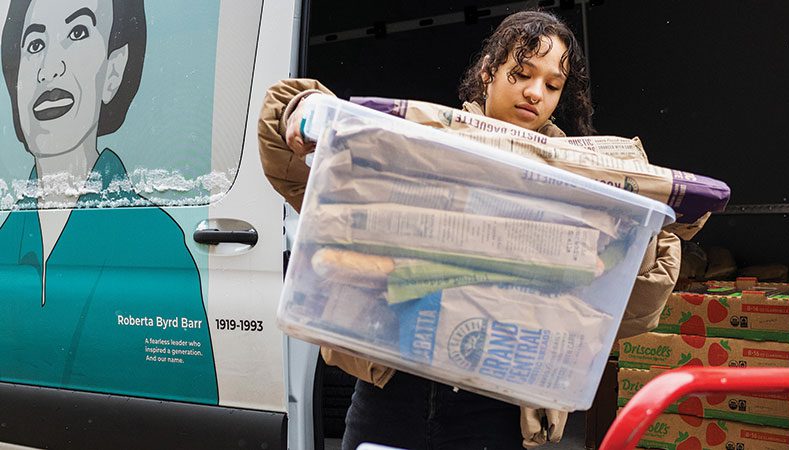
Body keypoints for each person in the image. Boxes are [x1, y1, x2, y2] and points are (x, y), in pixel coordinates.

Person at [258, 9, 680, 449]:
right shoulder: (423, 146)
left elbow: (634, 308)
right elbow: (296, 167)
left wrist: (638, 234)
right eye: (521, 73)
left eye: (552, 85)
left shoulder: (586, 191)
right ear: (487, 72)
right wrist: (301, 108)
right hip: (392, 391)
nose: (535, 93)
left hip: (496, 412)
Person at [0, 0, 217, 404]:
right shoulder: (5, 240)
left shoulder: (155, 243)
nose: (49, 68)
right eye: (34, 45)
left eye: (77, 33)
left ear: (113, 71)